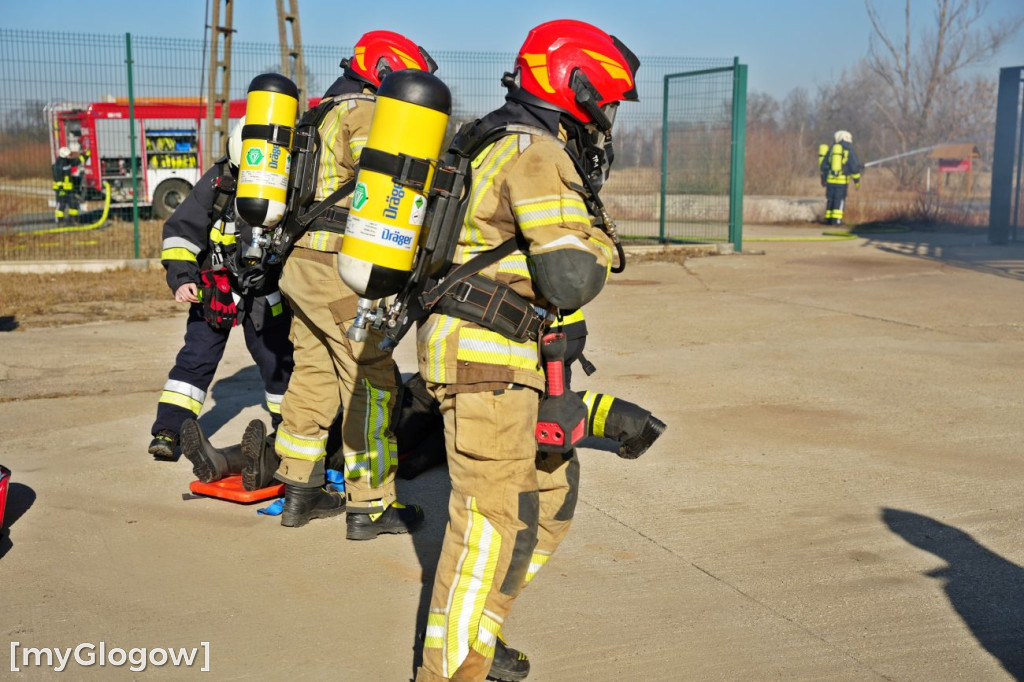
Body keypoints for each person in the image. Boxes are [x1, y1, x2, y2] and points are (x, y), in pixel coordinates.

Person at [413, 20, 640, 682]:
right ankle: (448, 673)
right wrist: (598, 238)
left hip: (499, 359)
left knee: (548, 496)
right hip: (487, 364)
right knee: (485, 527)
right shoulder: (536, 154)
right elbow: (570, 278)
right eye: (609, 101)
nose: (609, 119)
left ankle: (478, 640)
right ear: (578, 85)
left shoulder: (492, 139)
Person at [270, 31, 434, 533]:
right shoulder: (364, 113)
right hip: (338, 269)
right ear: (385, 73)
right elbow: (384, 176)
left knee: (314, 372)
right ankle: (372, 504)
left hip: (299, 263)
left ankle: (300, 488)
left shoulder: (318, 113)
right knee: (370, 381)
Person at [148, 117, 293, 497]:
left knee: (279, 361)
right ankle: (169, 430)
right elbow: (181, 231)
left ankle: (292, 426)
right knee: (195, 361)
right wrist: (182, 279)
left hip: (267, 294)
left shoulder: (286, 181)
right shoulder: (218, 181)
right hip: (216, 291)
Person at [396, 308, 666, 481]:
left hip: (540, 330)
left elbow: (446, 422)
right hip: (561, 326)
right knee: (548, 406)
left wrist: (412, 464)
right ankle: (635, 425)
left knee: (541, 411)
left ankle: (636, 426)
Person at [821, 130, 862, 226]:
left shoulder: (831, 150)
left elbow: (824, 166)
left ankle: (829, 219)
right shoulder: (849, 151)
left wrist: (824, 177)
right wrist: (857, 181)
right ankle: (837, 220)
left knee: (830, 199)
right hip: (841, 182)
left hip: (830, 181)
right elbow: (854, 168)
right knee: (839, 200)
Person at [51, 146, 76, 224]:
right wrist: (61, 189)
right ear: (64, 155)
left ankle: (73, 220)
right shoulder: (57, 165)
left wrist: (85, 155)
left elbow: (77, 161)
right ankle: (59, 221)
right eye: (68, 154)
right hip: (61, 189)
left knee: (73, 204)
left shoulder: (67, 162)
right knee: (61, 204)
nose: (70, 156)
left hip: (69, 189)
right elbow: (57, 179)